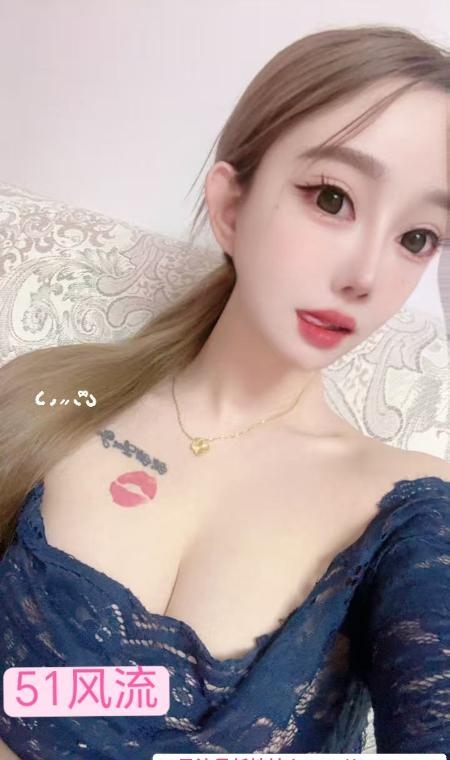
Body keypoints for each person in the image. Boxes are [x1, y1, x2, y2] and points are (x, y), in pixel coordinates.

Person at [0, 22, 449, 760]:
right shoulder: (55, 399)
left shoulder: (412, 512)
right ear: (232, 205)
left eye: (418, 238)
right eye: (332, 197)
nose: (366, 275)